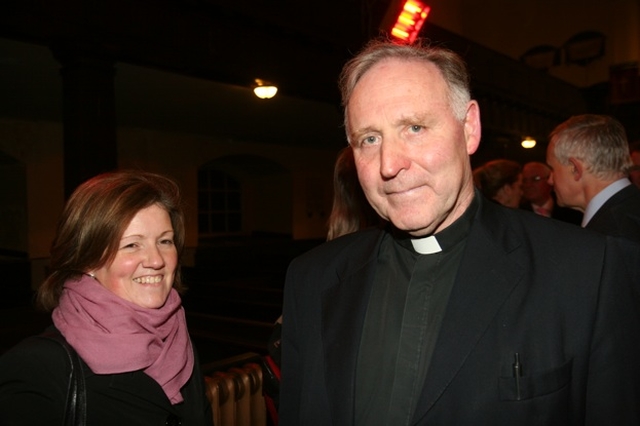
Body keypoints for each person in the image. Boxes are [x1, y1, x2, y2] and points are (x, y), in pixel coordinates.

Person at [278, 39, 640, 425]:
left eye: (414, 127)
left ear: (469, 128)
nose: (389, 164)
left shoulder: (587, 270)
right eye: (369, 138)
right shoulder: (312, 280)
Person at [0, 170, 213, 426]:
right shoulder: (37, 366)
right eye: (132, 245)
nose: (157, 260)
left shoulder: (179, 341)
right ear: (88, 259)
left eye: (165, 241)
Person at [547, 114, 640, 242]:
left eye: (552, 169)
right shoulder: (628, 213)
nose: (550, 180)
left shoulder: (611, 237)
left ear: (575, 169)